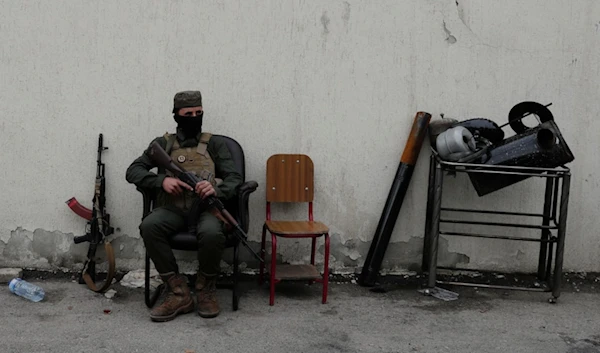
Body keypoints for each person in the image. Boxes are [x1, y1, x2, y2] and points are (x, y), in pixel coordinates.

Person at [126, 90, 242, 322]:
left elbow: (235, 178)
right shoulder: (163, 144)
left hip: (206, 209)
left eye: (198, 113)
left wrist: (215, 190)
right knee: (150, 225)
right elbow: (133, 171)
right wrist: (162, 180)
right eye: (188, 113)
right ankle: (178, 291)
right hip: (174, 209)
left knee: (211, 233)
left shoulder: (215, 144)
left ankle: (205, 288)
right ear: (176, 115)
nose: (194, 117)